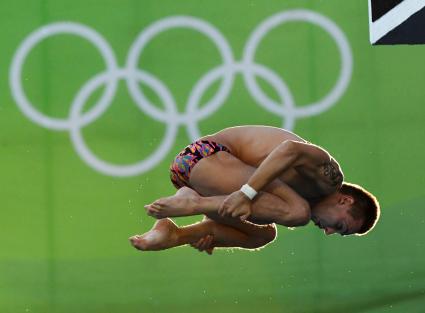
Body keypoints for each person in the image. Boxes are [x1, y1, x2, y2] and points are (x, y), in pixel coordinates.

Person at [129, 125, 380, 254]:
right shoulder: (328, 179)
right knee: (298, 213)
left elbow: (234, 183)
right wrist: (245, 193)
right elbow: (288, 149)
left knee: (263, 236)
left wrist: (212, 230)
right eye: (339, 226)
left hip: (198, 176)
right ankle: (192, 203)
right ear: (345, 201)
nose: (327, 231)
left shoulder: (297, 199)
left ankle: (177, 234)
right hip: (204, 156)